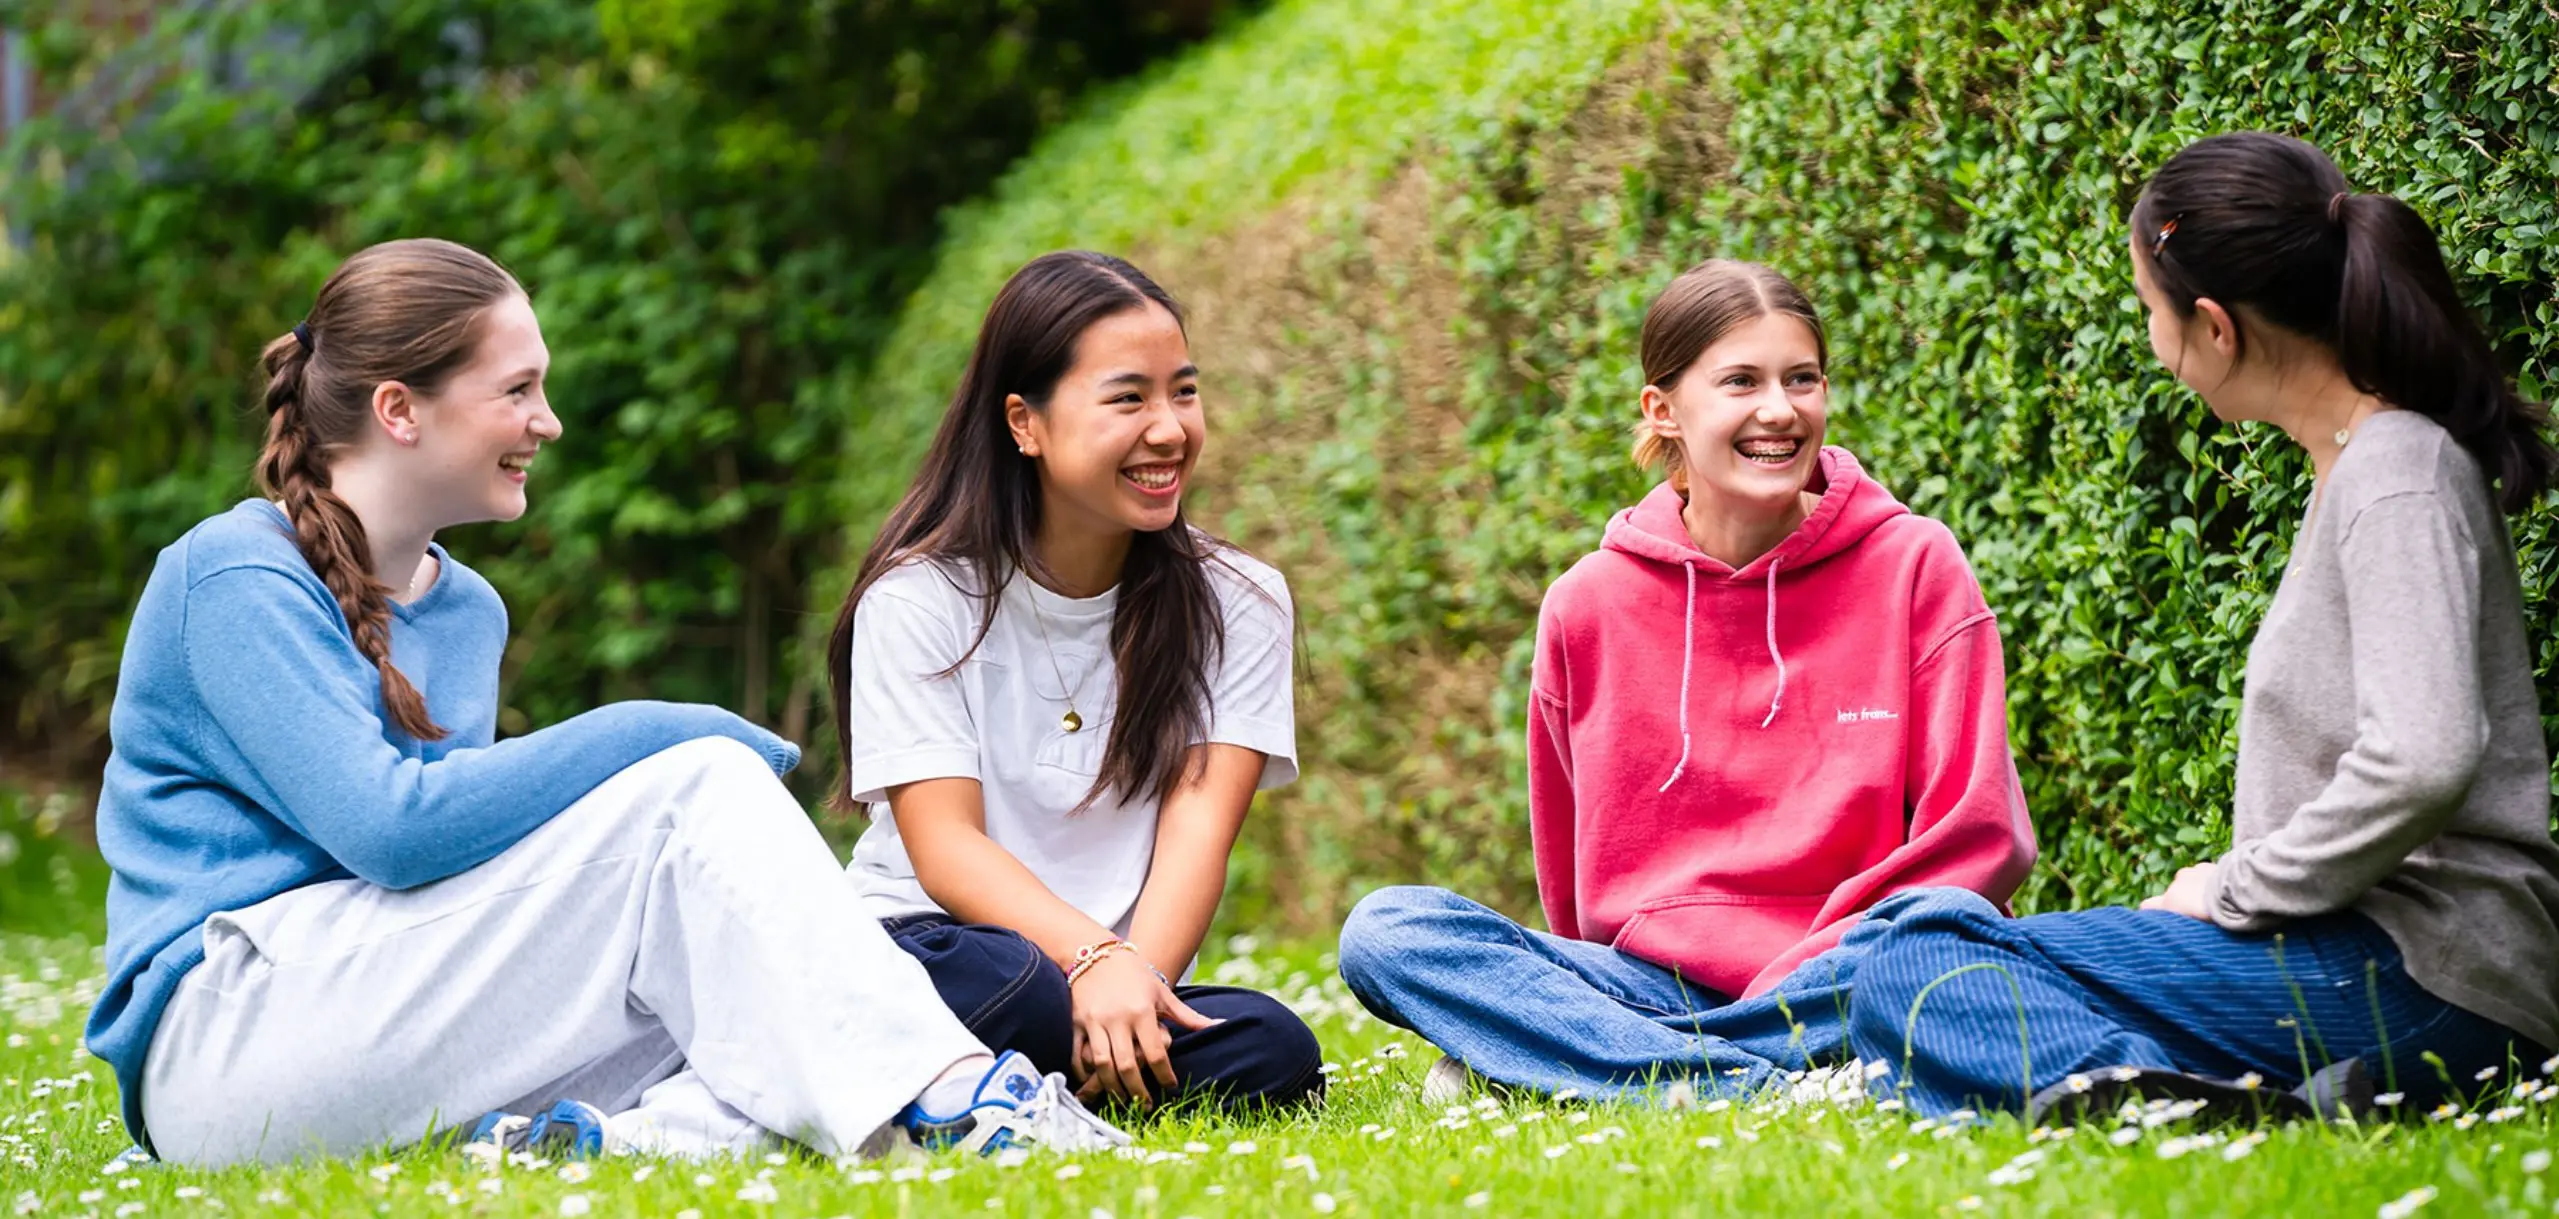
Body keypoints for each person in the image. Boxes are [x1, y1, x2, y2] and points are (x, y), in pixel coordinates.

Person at [87, 238, 1126, 1167]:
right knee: (696, 792)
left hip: (374, 1011)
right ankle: (955, 1099)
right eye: (518, 390)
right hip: (227, 1048)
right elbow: (393, 828)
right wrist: (674, 729)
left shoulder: (467, 609)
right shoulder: (234, 575)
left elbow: (451, 869)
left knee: (730, 974)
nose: (548, 421)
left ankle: (620, 1142)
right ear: (399, 409)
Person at [1848, 132, 2559, 1121]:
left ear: (2215, 328)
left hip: (2428, 978)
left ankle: (2165, 1100)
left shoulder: (2397, 475)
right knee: (1912, 950)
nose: (2152, 339)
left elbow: (2425, 755)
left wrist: (2232, 889)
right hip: (2362, 964)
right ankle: (2227, 1100)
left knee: (1912, 961)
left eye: (2150, 311)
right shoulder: (2364, 467)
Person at [1336, 259, 2038, 1103]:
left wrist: (1791, 973)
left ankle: (1591, 1060)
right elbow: (1571, 878)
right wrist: (1601, 996)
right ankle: (1758, 1081)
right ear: (1662, 409)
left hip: (1856, 968)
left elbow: (1976, 838)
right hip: (1655, 982)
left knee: (1952, 934)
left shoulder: (1914, 563)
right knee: (1386, 930)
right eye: (1740, 380)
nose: (1779, 410)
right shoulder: (1586, 605)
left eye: (1802, 378)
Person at [828, 251, 1323, 1115]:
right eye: (1128, 398)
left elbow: (1197, 834)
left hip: (1116, 981)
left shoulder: (1240, 602)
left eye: (1184, 392)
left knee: (1275, 1046)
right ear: (1025, 422)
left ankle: (1016, 1083)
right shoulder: (918, 600)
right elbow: (944, 848)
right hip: (934, 950)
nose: (1168, 429)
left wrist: (1134, 988)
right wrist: (1091, 959)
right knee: (1011, 983)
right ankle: (1044, 1076)